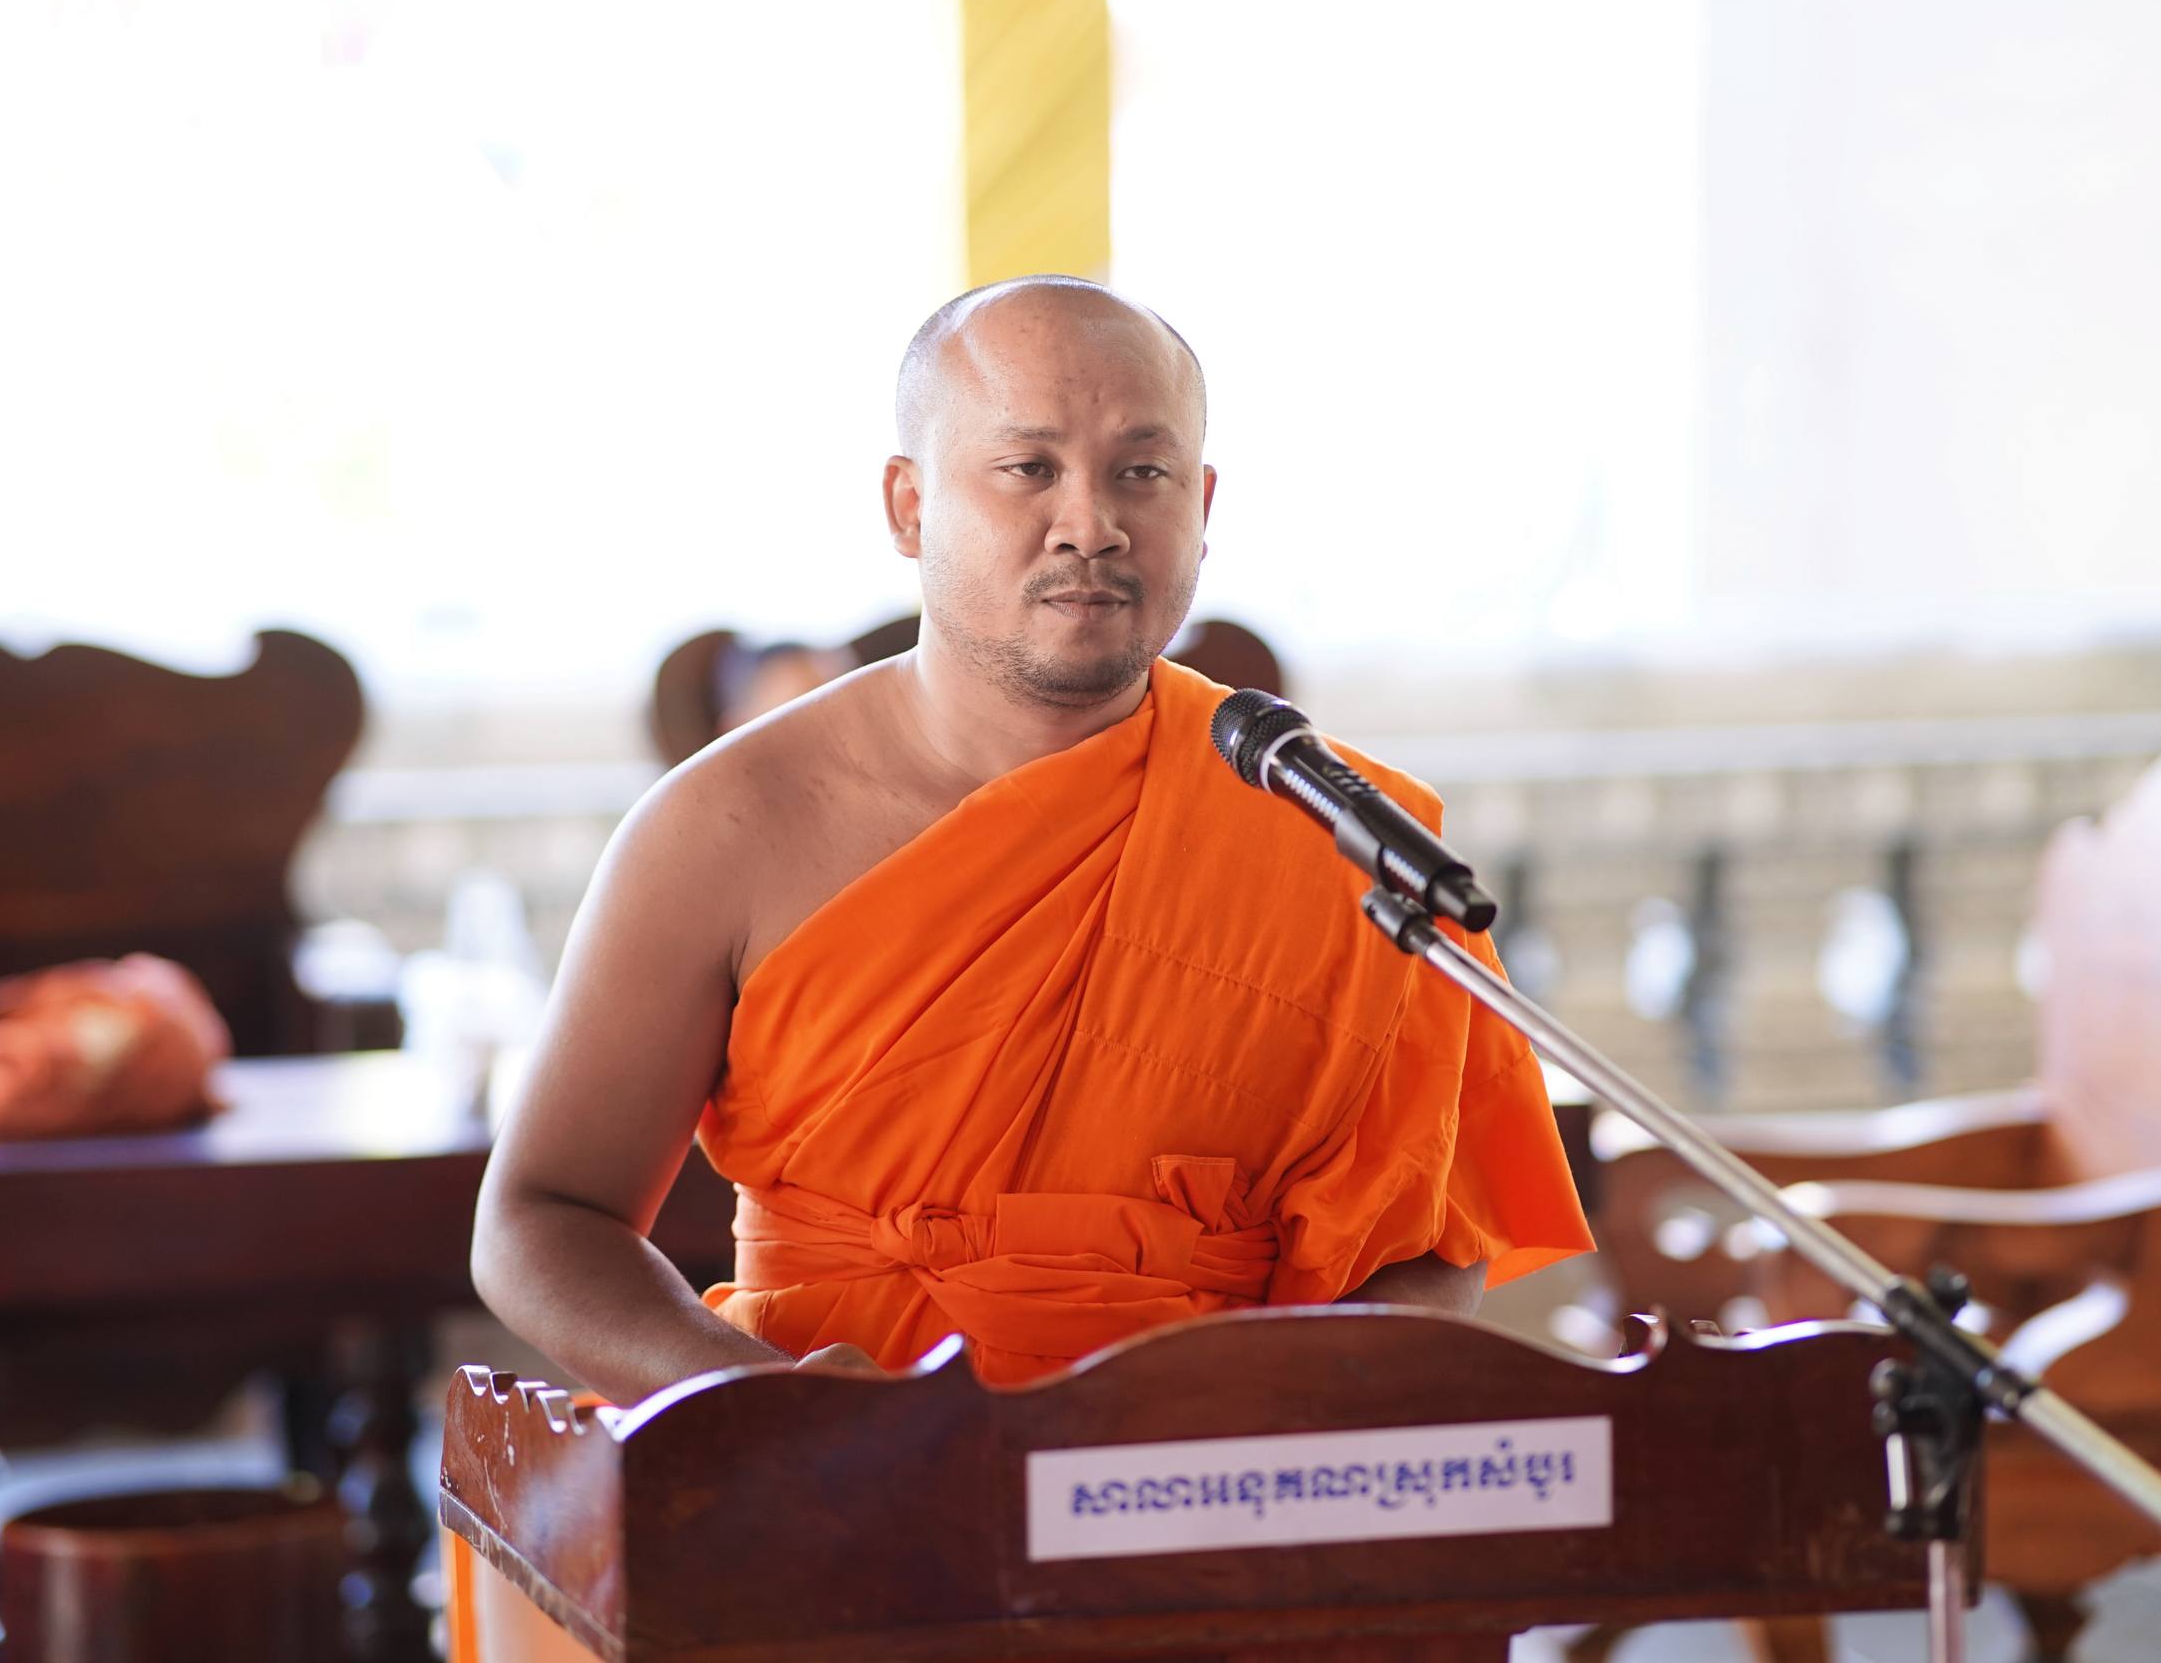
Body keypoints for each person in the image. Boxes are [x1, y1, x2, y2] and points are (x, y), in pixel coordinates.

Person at [471, 276, 1590, 1399]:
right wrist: (778, 1408)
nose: (1090, 524)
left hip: (1209, 1465)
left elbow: (1427, 1242)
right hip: (832, 1471)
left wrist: (1262, 1430)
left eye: (1141, 473)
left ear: (1202, 504)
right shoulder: (729, 824)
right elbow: (543, 1218)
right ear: (909, 505)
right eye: (1028, 467)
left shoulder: (1332, 829)